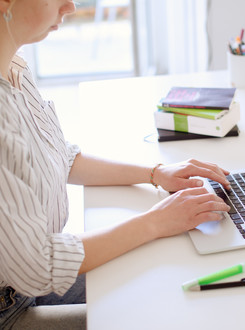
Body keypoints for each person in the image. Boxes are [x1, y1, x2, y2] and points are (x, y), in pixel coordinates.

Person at [0, 0, 231, 329]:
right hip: (11, 306)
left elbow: (61, 158)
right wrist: (154, 222)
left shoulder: (14, 68)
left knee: (164, 272)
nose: (69, 6)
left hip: (24, 279)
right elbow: (37, 266)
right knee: (160, 312)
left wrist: (154, 173)